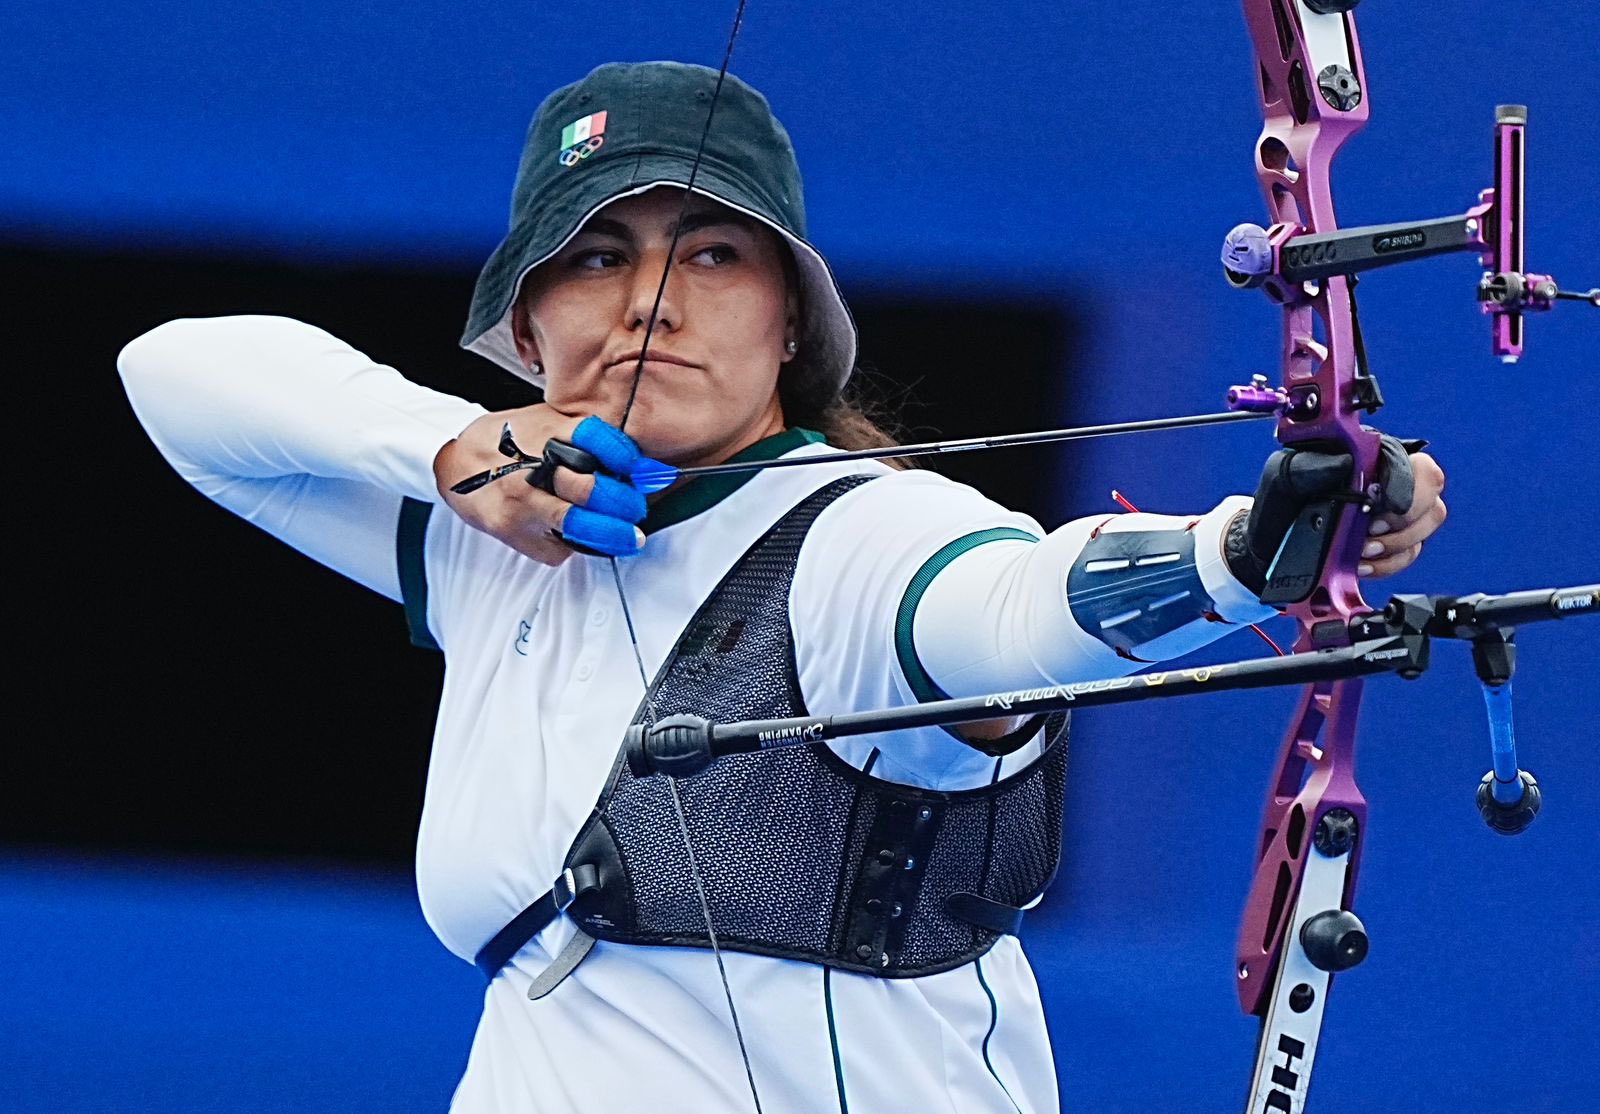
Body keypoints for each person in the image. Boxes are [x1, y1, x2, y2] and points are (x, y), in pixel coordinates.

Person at [116, 61, 1446, 1114]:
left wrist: (1244, 550)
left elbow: (1025, 603)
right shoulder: (488, 541)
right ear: (527, 330)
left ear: (792, 319)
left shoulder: (865, 542)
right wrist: (446, 448)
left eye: (709, 254)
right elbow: (171, 376)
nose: (647, 301)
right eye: (594, 255)